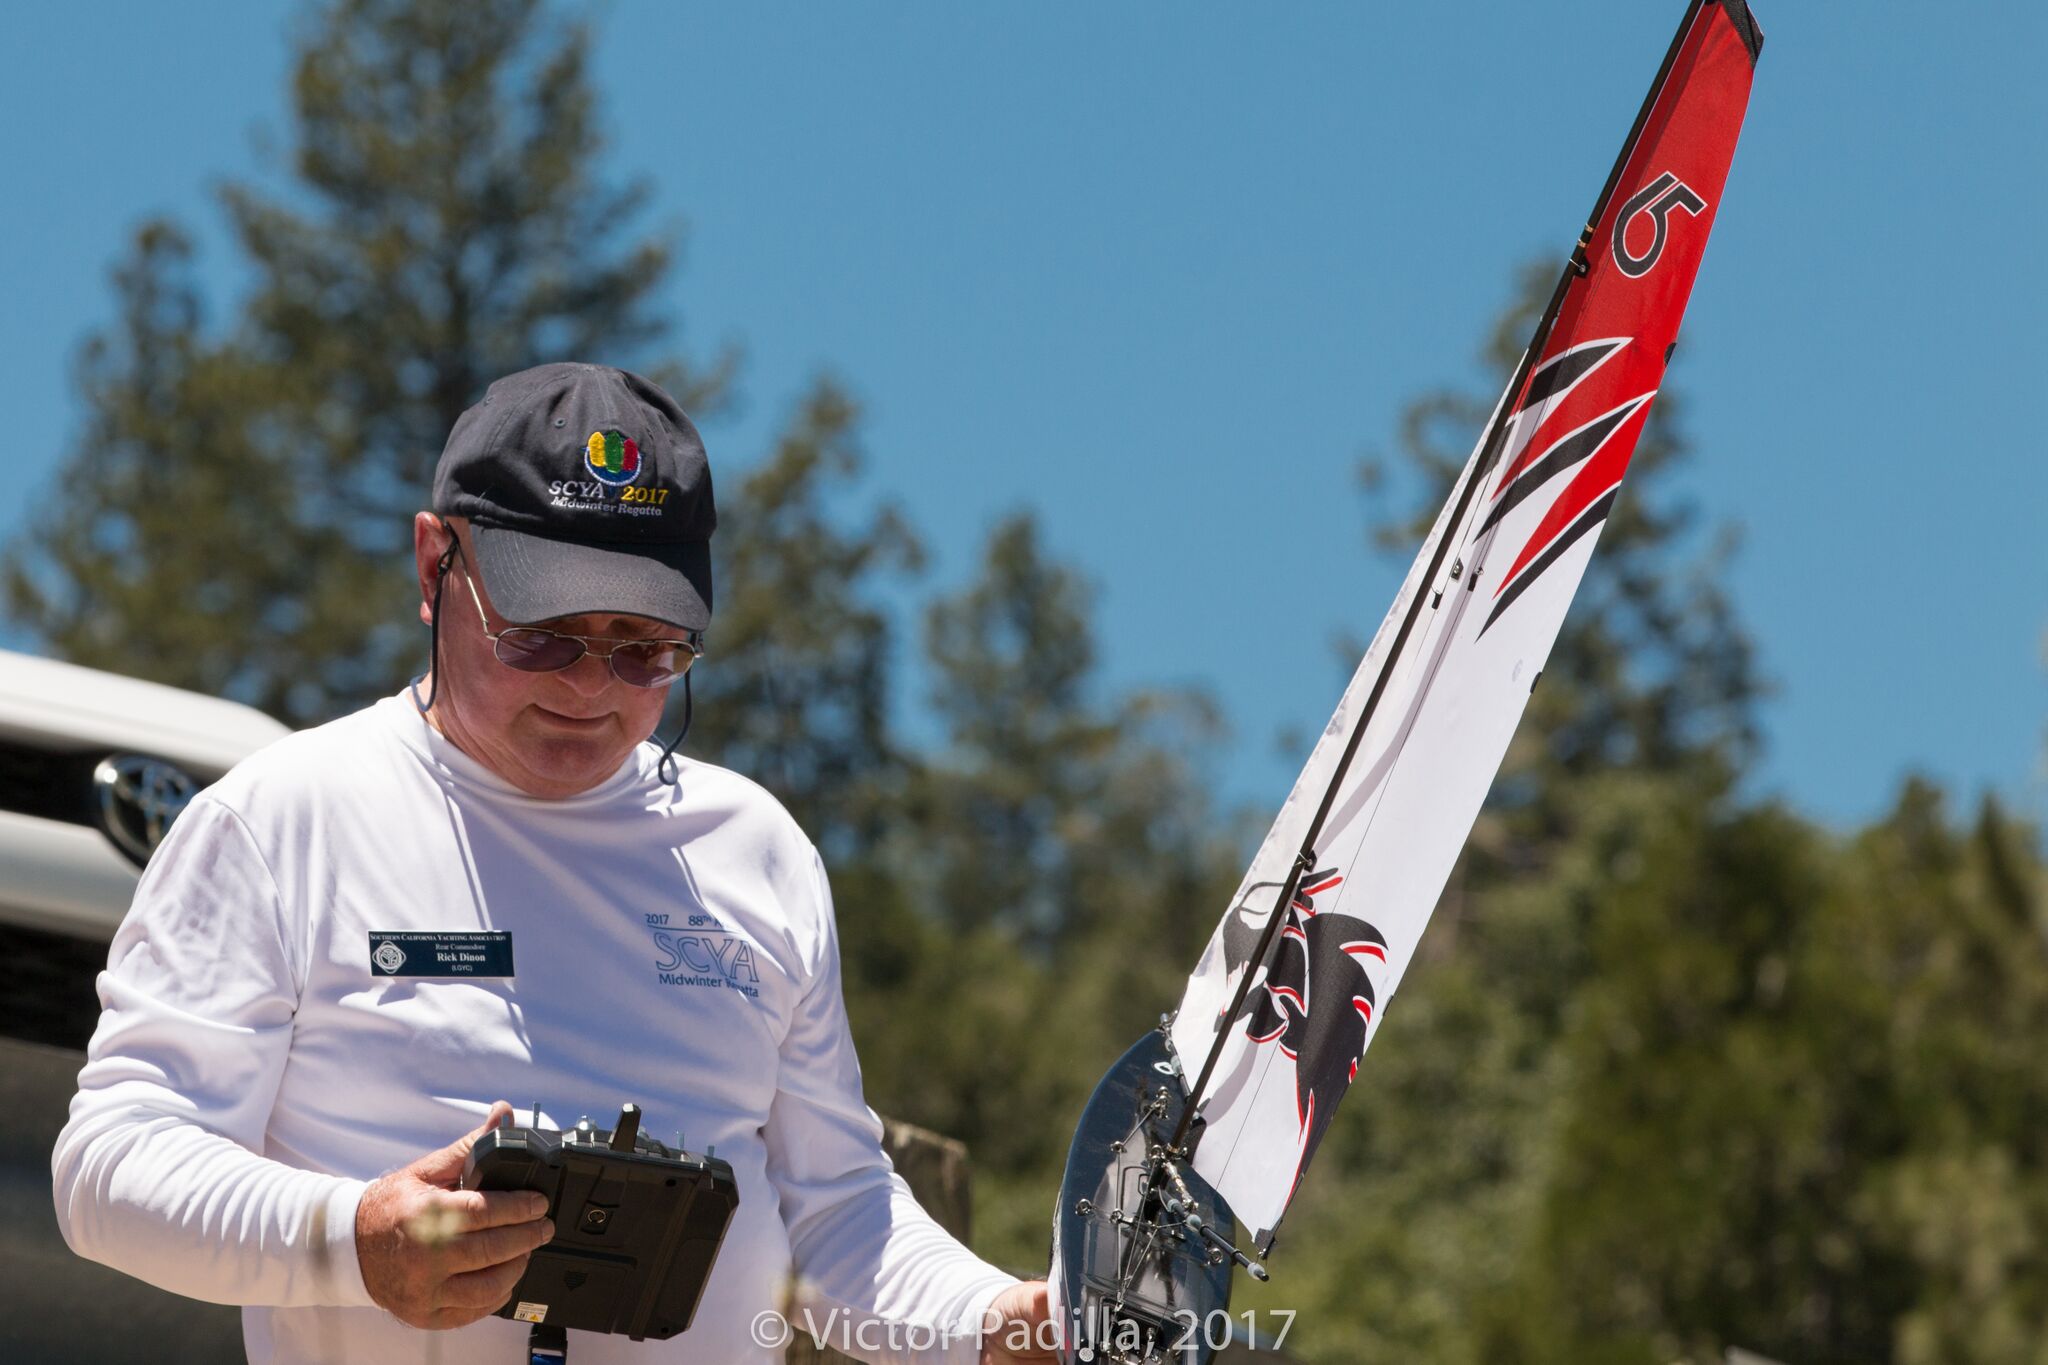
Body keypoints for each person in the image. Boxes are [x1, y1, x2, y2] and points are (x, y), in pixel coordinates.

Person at [52, 363, 1053, 1364]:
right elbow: (110, 1166)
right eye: (542, 636)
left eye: (646, 649)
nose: (589, 686)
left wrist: (995, 1324)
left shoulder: (758, 851)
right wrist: (354, 1240)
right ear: (434, 566)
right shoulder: (281, 821)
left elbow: (834, 1213)